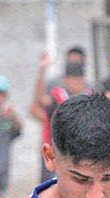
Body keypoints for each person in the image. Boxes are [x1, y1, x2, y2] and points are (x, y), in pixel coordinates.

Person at [32, 54, 89, 182]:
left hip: (80, 153)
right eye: (73, 79)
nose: (76, 83)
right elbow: (40, 100)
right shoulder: (58, 96)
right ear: (65, 80)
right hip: (56, 152)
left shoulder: (88, 98)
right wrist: (42, 72)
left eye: (79, 79)